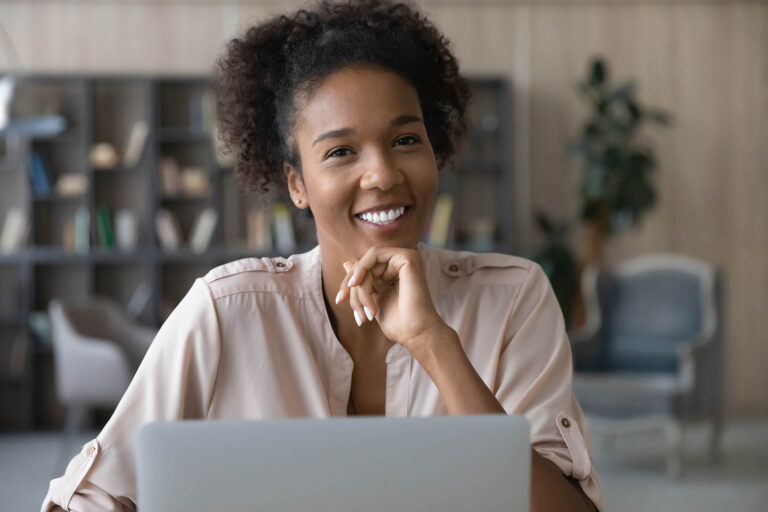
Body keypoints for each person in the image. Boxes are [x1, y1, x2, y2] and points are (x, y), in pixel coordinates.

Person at [41, 1, 603, 510]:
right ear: (297, 185)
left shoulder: (512, 299)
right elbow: (87, 499)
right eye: (340, 151)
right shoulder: (227, 310)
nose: (382, 174)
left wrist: (434, 343)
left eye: (406, 140)